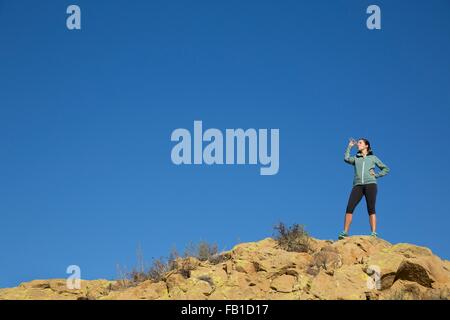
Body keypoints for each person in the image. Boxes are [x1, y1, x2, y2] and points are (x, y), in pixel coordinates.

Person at [338, 138, 390, 240]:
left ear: (366, 146)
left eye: (360, 143)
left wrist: (377, 175)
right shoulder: (356, 158)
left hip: (371, 184)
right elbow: (346, 158)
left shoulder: (373, 158)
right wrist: (349, 146)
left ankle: (374, 233)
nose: (358, 144)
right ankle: (345, 232)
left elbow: (386, 169)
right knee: (349, 207)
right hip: (357, 185)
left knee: (371, 208)